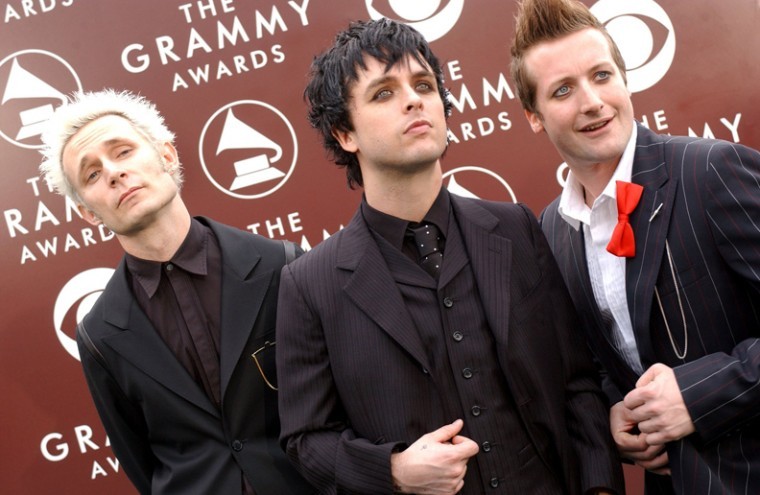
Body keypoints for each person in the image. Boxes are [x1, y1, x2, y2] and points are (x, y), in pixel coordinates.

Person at [275, 18, 624, 495]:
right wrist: (393, 471)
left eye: (423, 85)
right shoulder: (309, 284)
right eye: (383, 93)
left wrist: (600, 489)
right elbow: (306, 441)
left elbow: (577, 383)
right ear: (344, 134)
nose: (414, 99)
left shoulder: (516, 228)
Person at [510, 0, 760, 493]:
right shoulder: (553, 232)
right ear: (534, 117)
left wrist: (698, 394)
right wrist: (616, 415)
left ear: (624, 80)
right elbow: (603, 364)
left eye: (602, 76)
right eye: (563, 90)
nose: (592, 102)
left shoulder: (711, 171)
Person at [38, 90, 312, 495]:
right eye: (92, 174)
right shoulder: (99, 336)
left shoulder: (281, 264)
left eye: (123, 151)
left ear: (166, 155)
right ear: (88, 213)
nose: (114, 172)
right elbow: (140, 463)